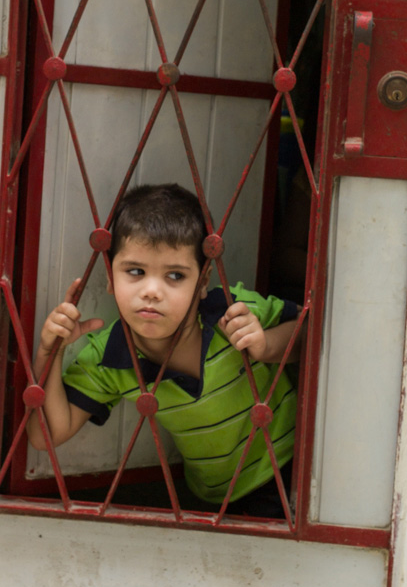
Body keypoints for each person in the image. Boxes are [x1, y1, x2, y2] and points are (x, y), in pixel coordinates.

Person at [27, 184, 302, 516]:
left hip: (297, 463)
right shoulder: (110, 356)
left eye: (174, 275)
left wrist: (266, 345)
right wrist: (49, 353)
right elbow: (46, 436)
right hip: (219, 499)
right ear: (110, 278)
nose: (152, 291)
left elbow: (313, 337)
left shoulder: (232, 313)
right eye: (135, 272)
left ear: (202, 283)